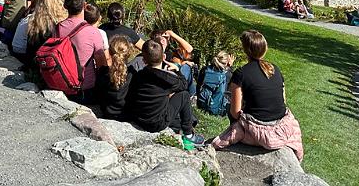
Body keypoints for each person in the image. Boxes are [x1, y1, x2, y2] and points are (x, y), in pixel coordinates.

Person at [212, 30, 304, 161]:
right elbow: (283, 100)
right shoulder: (275, 69)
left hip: (258, 131)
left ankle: (238, 137)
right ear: (264, 49)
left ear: (245, 50)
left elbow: (235, 112)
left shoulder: (241, 73)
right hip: (282, 128)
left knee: (229, 107)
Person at [123, 39, 204, 148]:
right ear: (164, 57)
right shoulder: (167, 78)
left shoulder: (138, 75)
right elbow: (184, 85)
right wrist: (177, 70)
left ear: (144, 60)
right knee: (184, 95)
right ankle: (189, 134)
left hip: (138, 119)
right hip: (157, 124)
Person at [54, 0, 109, 98]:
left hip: (61, 85)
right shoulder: (93, 32)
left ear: (65, 6)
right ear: (84, 5)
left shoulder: (57, 28)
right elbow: (102, 65)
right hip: (84, 90)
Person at [97, 35, 135, 120]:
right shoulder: (132, 73)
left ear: (110, 52)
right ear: (128, 53)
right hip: (125, 114)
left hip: (107, 112)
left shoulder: (103, 72)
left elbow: (99, 94)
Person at [197, 51, 235, 116]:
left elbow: (198, 86)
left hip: (201, 104)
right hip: (217, 110)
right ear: (226, 62)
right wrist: (230, 67)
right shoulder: (227, 74)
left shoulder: (205, 69)